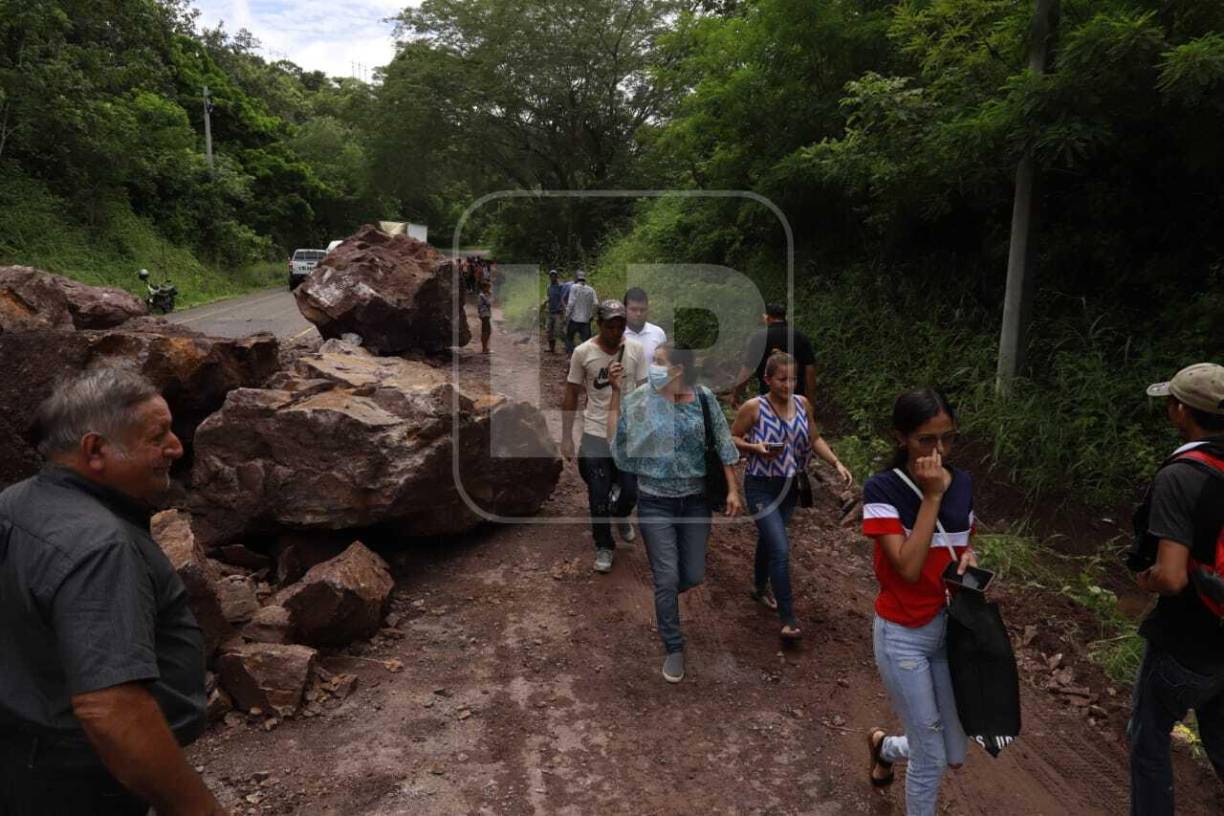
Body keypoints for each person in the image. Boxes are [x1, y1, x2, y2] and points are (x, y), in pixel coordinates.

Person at [0, 369, 225, 815]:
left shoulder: (14, 503)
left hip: (21, 760)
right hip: (80, 785)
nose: (176, 447)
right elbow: (111, 709)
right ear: (95, 450)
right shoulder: (100, 548)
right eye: (157, 437)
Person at [861, 388, 976, 813]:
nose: (938, 450)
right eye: (926, 440)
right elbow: (908, 568)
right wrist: (931, 497)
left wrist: (968, 557)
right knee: (930, 758)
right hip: (903, 635)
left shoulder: (962, 483)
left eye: (948, 438)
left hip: (949, 629)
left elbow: (963, 540)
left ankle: (885, 747)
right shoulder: (882, 490)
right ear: (901, 437)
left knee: (954, 752)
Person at [608, 342, 741, 682]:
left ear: (679, 369)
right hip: (654, 501)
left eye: (659, 362)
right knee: (666, 577)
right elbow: (619, 447)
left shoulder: (703, 398)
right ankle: (673, 646)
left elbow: (723, 442)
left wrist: (733, 489)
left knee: (693, 574)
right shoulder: (640, 399)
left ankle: (664, 598)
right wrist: (616, 395)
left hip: (695, 501)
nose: (653, 367)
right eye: (652, 361)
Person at [1127, 362, 1224, 815]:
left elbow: (1171, 577)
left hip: (1185, 641)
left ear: (1181, 411)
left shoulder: (1182, 475)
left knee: (1148, 741)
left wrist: (1143, 579)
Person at [731, 352, 853, 640]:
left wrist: (836, 463)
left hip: (789, 487)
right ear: (767, 380)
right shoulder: (754, 408)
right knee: (780, 548)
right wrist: (755, 448)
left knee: (770, 539)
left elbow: (814, 438)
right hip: (760, 485)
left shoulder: (802, 404)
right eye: (782, 379)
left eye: (793, 379)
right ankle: (788, 619)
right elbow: (732, 438)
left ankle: (759, 587)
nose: (788, 385)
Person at [561, 300, 647, 572]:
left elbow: (644, 391)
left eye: (621, 326)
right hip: (595, 431)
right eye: (610, 326)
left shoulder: (636, 350)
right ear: (599, 324)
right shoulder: (583, 353)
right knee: (598, 494)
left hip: (627, 433)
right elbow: (572, 393)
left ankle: (621, 514)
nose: (616, 331)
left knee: (630, 492)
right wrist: (566, 436)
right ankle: (604, 545)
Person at [730, 303, 816, 408]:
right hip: (795, 399)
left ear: (767, 317)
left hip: (769, 399)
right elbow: (810, 370)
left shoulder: (759, 339)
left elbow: (747, 370)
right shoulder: (800, 337)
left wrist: (735, 395)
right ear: (785, 317)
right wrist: (811, 400)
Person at [623, 287, 667, 365]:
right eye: (633, 309)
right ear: (624, 309)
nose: (638, 314)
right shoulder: (618, 335)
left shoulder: (658, 333)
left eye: (642, 310)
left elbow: (665, 363)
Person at [563, 270, 598, 354]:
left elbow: (571, 303)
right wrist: (592, 315)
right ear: (584, 279)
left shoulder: (574, 287)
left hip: (574, 320)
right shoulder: (591, 290)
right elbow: (596, 304)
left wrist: (566, 316)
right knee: (587, 343)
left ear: (576, 279)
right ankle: (585, 357)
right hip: (586, 321)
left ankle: (571, 355)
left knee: (569, 338)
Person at [543, 270, 566, 353]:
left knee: (559, 331)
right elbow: (548, 297)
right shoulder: (549, 287)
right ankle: (551, 348)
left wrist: (564, 308)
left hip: (558, 312)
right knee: (549, 331)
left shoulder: (561, 286)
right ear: (549, 277)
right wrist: (545, 302)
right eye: (551, 276)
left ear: (557, 277)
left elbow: (564, 297)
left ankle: (568, 346)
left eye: (554, 276)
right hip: (550, 311)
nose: (553, 277)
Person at [477, 279, 493, 353]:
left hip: (486, 314)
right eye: (488, 287)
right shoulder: (482, 296)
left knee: (487, 331)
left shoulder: (483, 295)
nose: (489, 289)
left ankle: (485, 347)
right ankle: (484, 348)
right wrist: (489, 295)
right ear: (484, 288)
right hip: (484, 314)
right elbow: (488, 303)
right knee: (486, 331)